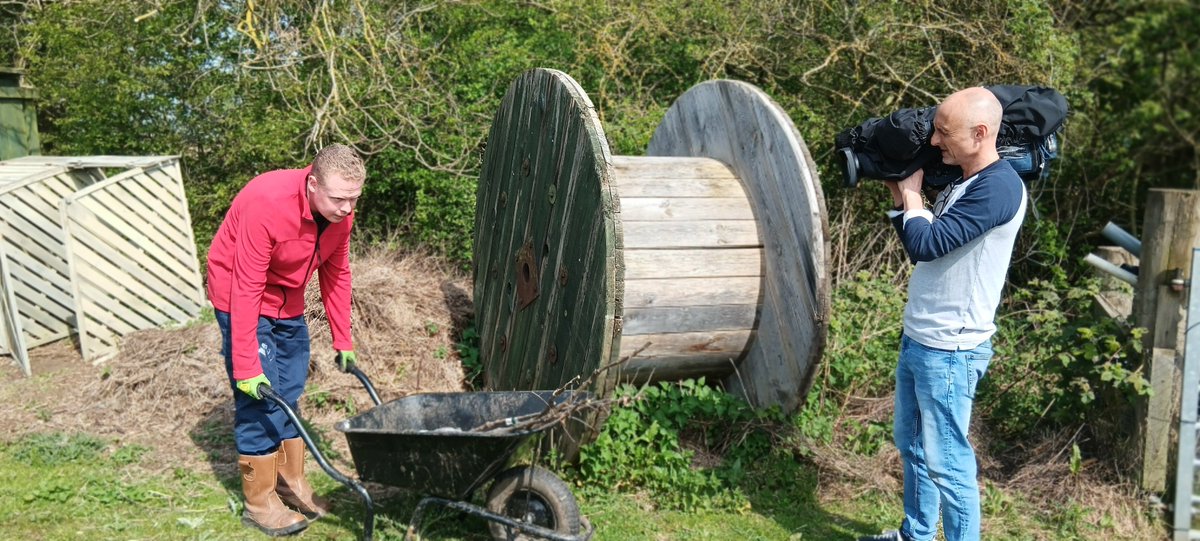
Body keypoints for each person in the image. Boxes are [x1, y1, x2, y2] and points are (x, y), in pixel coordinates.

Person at [860, 87, 1027, 541]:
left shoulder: (1000, 187)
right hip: (921, 338)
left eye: (942, 132)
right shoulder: (966, 181)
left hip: (950, 350)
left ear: (979, 133)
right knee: (913, 447)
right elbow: (927, 250)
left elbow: (928, 241)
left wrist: (914, 198)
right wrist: (902, 200)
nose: (934, 142)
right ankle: (916, 534)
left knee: (948, 463)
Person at [206, 143, 365, 536]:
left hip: (287, 300)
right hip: (239, 293)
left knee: (289, 388)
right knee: (260, 395)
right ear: (312, 184)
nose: (347, 209)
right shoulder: (268, 202)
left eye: (354, 199)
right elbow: (246, 286)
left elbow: (337, 273)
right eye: (339, 199)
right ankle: (259, 503)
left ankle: (289, 484)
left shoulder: (339, 214)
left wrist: (342, 338)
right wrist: (246, 365)